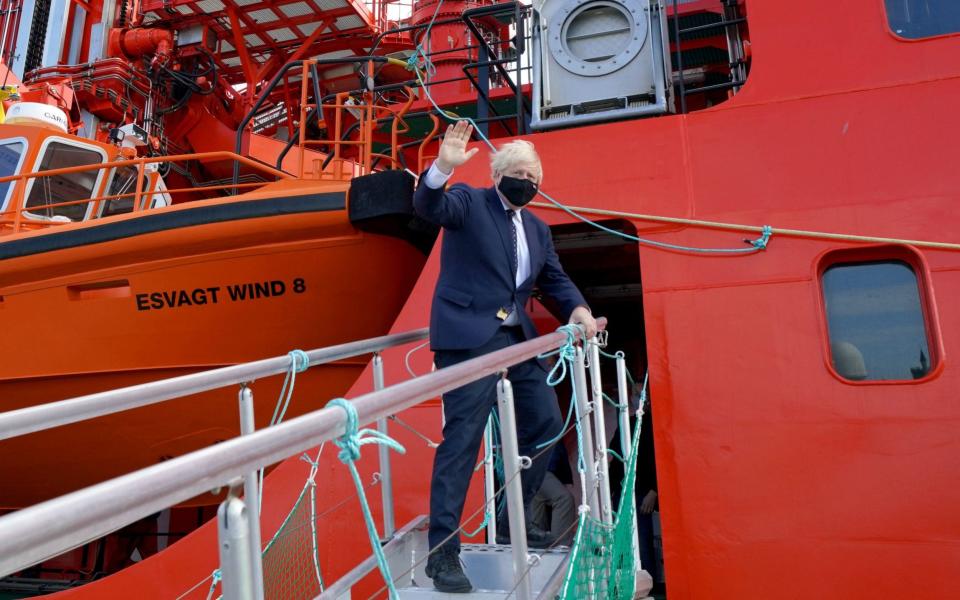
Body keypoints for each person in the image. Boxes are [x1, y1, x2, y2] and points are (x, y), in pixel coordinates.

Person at [414, 120, 597, 593]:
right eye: (518, 172)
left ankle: (509, 517)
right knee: (463, 440)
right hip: (468, 338)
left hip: (515, 337)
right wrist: (440, 170)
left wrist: (577, 311)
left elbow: (553, 280)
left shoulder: (536, 229)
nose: (527, 182)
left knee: (546, 422)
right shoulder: (470, 202)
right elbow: (429, 206)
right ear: (497, 174)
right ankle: (444, 554)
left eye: (534, 177)